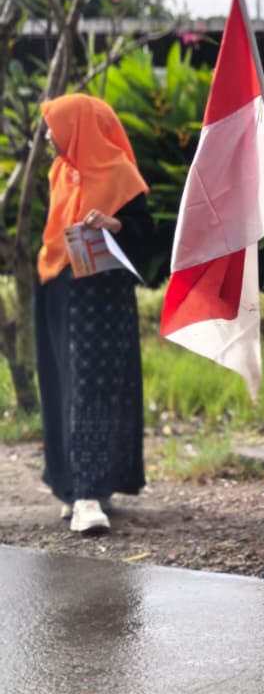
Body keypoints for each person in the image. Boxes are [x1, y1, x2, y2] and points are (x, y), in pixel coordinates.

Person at [36, 94, 153, 535]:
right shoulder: (61, 172)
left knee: (96, 387)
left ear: (79, 127)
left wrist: (115, 225)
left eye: (55, 126)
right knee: (64, 386)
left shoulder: (120, 174)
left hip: (101, 299)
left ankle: (90, 494)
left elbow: (147, 236)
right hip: (58, 287)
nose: (49, 136)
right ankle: (74, 486)